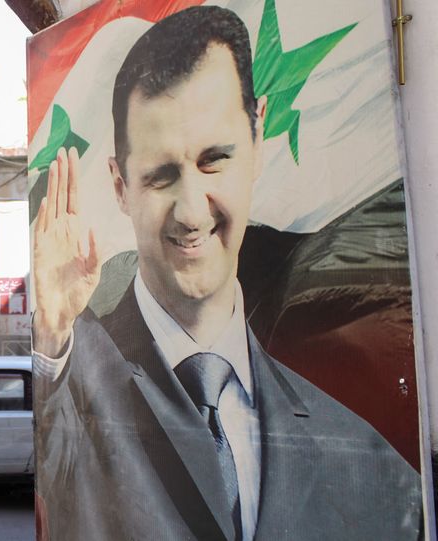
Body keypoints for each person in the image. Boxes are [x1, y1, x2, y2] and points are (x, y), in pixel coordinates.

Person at [31, 6, 423, 540]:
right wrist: (51, 338)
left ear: (259, 140)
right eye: (161, 175)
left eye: (215, 159)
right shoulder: (68, 382)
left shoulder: (376, 473)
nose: (192, 212)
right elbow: (50, 470)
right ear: (119, 186)